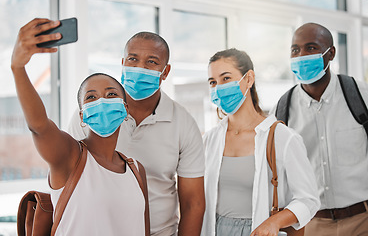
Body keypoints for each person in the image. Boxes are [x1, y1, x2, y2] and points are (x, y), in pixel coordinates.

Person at [11, 18, 149, 235]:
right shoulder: (69, 156)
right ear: (82, 115)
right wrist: (18, 68)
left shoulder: (136, 169)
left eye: (111, 94)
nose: (102, 101)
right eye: (91, 97)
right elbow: (39, 126)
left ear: (125, 109)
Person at [68, 32, 205, 235]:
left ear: (165, 71)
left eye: (151, 61)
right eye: (133, 59)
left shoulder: (184, 123)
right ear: (123, 62)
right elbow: (69, 179)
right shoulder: (91, 114)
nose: (140, 68)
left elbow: (193, 203)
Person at [201, 48, 320, 236]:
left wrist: (274, 222)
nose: (218, 88)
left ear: (248, 79)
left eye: (226, 79)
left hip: (258, 231)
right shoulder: (209, 140)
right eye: (213, 82)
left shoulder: (283, 138)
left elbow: (309, 200)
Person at [271, 22, 368, 236]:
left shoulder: (361, 96)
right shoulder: (282, 110)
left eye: (311, 48)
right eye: (295, 50)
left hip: (363, 220)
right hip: (313, 225)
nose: (301, 55)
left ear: (330, 53)